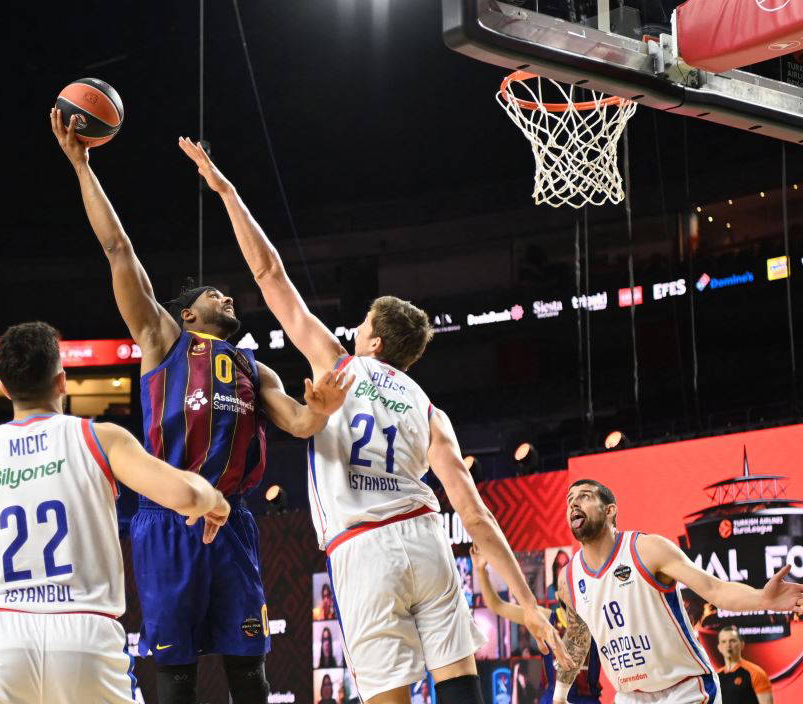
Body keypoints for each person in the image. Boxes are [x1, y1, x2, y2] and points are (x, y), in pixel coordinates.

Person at [183, 137, 566, 704]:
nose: (355, 329)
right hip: (428, 540)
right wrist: (527, 604)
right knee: (461, 691)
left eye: (362, 323)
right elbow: (476, 514)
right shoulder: (430, 410)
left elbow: (269, 274)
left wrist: (227, 192)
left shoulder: (339, 365)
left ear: (376, 341)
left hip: (364, 550)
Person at [52, 110, 351, 704]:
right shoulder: (163, 341)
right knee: (176, 673)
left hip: (233, 520)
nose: (227, 296)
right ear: (187, 314)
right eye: (214, 294)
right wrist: (82, 167)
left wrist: (322, 408)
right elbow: (117, 249)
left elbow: (299, 423)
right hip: (169, 518)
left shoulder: (255, 369)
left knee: (249, 669)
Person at [0, 321, 232, 703]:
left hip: (1, 640)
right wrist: (215, 499)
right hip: (86, 636)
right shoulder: (101, 439)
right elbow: (186, 495)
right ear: (62, 381)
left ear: (4, 388)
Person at [551, 479, 803, 703]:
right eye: (569, 499)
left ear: (610, 510)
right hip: (630, 697)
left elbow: (715, 589)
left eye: (584, 496)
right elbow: (577, 636)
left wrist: (763, 598)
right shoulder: (569, 578)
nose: (574, 503)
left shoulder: (646, 549)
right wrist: (560, 697)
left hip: (685, 689)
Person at [472, 546, 601, 704]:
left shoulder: (596, 619)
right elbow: (496, 605)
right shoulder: (545, 618)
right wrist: (481, 570)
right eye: (563, 583)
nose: (568, 586)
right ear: (557, 593)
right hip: (552, 699)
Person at [715, 626, 772, 704]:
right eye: (723, 642)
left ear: (742, 644)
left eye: (732, 641)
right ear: (719, 647)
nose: (728, 645)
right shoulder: (716, 677)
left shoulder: (755, 673)